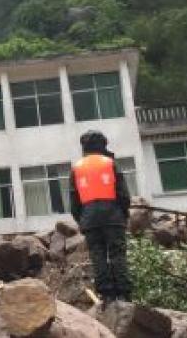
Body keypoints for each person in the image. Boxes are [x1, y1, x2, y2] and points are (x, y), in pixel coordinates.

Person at [69, 130, 131, 303]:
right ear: (103, 144)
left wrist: (81, 219)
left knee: (98, 254)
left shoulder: (76, 168)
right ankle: (124, 294)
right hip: (113, 215)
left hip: (89, 218)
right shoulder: (111, 163)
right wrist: (124, 214)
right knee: (118, 254)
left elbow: (74, 200)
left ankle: (106, 295)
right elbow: (123, 195)